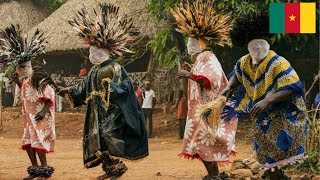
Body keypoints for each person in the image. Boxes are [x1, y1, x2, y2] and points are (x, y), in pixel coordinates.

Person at [58, 3, 148, 179]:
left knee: (109, 136)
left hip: (112, 113)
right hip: (95, 113)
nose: (91, 53)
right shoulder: (94, 70)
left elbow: (124, 87)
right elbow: (83, 87)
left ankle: (119, 167)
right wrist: (67, 90)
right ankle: (110, 170)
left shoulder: (115, 68)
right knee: (97, 141)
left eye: (94, 50)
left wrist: (110, 88)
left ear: (103, 50)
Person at [223, 10, 308, 179]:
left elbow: (291, 86)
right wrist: (228, 88)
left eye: (260, 44)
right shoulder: (244, 62)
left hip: (283, 113)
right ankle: (272, 173)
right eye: (253, 45)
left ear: (267, 43)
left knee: (282, 146)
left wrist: (268, 100)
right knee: (264, 146)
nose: (256, 48)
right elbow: (236, 75)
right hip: (262, 116)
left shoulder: (278, 62)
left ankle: (278, 174)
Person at [171, 1, 238, 179]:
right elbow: (202, 78)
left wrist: (189, 75)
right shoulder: (202, 58)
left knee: (201, 143)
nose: (189, 48)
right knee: (202, 145)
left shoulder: (207, 56)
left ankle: (214, 175)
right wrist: (191, 72)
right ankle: (214, 175)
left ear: (197, 44)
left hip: (207, 111)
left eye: (191, 44)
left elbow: (211, 80)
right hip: (202, 111)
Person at [0, 24, 56, 179]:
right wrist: (17, 81)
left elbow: (50, 94)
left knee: (38, 143)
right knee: (29, 143)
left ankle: (44, 172)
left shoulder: (39, 79)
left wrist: (43, 111)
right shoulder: (26, 80)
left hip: (40, 117)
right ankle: (35, 170)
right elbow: (27, 91)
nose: (20, 70)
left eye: (22, 67)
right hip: (29, 118)